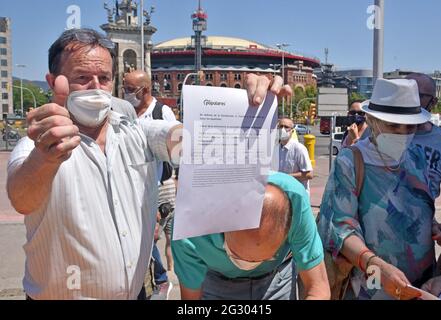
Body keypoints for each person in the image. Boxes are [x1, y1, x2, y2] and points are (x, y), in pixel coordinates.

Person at [6, 28, 279, 300]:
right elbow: (22, 199)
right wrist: (44, 158)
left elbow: (196, 142)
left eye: (104, 78)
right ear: (53, 82)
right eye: (82, 78)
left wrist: (244, 106)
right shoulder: (37, 146)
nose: (96, 87)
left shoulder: (137, 133)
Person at [318, 78, 435, 300]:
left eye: (409, 127)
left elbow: (421, 206)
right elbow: (340, 229)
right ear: (372, 121)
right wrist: (377, 268)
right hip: (371, 283)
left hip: (423, 284)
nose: (402, 134)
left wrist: (434, 227)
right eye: (393, 126)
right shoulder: (351, 161)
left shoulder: (417, 156)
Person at [172, 172, 330, 300]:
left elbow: (318, 289)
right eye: (237, 256)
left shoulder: (295, 201)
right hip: (217, 283)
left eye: (267, 257)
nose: (249, 265)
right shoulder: (189, 225)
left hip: (277, 279)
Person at [123, 70, 176, 299]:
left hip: (160, 184)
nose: (125, 93)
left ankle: (161, 278)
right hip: (135, 184)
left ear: (144, 90)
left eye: (129, 89)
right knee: (140, 235)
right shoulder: (125, 112)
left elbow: (176, 146)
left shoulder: (161, 112)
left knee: (153, 235)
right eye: (123, 87)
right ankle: (156, 278)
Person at [405, 73, 441, 295]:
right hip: (375, 257)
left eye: (415, 94)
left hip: (420, 256)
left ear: (432, 102)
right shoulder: (375, 137)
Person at [278, 117, 313, 195]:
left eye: (286, 127)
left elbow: (309, 174)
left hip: (297, 195)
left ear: (292, 131)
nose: (282, 129)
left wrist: (286, 177)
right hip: (281, 195)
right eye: (280, 126)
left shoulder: (299, 148)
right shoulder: (275, 148)